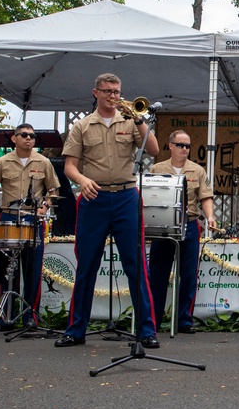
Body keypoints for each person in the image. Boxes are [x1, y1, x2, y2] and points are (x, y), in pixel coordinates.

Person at [55, 73, 161, 348]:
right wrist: (82, 180)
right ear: (96, 93)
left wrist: (139, 119)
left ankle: (147, 331)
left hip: (126, 197)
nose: (113, 96)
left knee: (135, 265)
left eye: (117, 91)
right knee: (86, 265)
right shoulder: (81, 126)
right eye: (108, 91)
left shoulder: (131, 120)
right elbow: (69, 166)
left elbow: (154, 149)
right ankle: (76, 329)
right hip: (94, 198)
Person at [0, 123, 60, 329]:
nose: (29, 139)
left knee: (32, 269)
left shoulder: (44, 162)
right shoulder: (2, 162)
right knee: (7, 270)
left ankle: (29, 316)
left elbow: (53, 190)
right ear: (14, 139)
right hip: (8, 216)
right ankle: (6, 314)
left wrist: (44, 207)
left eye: (32, 136)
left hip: (32, 218)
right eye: (24, 135)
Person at [147, 129, 216, 333]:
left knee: (188, 274)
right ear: (170, 146)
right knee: (158, 274)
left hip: (190, 222)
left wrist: (210, 216)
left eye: (187, 146)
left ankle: (183, 320)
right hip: (163, 224)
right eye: (180, 145)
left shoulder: (198, 170)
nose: (184, 149)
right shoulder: (156, 169)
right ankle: (153, 320)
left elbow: (206, 197)